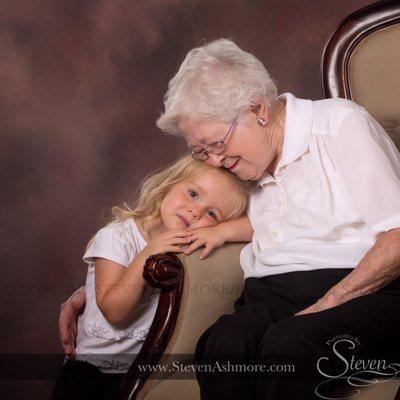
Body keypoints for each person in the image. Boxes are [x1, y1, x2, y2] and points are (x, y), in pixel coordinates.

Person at [59, 39, 400, 399]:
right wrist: (96, 291)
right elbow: (188, 225)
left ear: (257, 109)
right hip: (271, 297)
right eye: (200, 151)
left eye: (216, 144)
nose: (214, 161)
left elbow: (396, 235)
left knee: (290, 344)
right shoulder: (243, 170)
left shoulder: (340, 125)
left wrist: (326, 305)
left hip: (365, 294)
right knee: (225, 342)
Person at [52, 154, 253, 399]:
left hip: (142, 372)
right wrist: (149, 252)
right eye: (192, 194)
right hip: (88, 372)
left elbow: (263, 224)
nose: (194, 211)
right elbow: (115, 312)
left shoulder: (190, 247)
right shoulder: (117, 237)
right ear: (170, 182)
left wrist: (223, 231)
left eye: (211, 214)